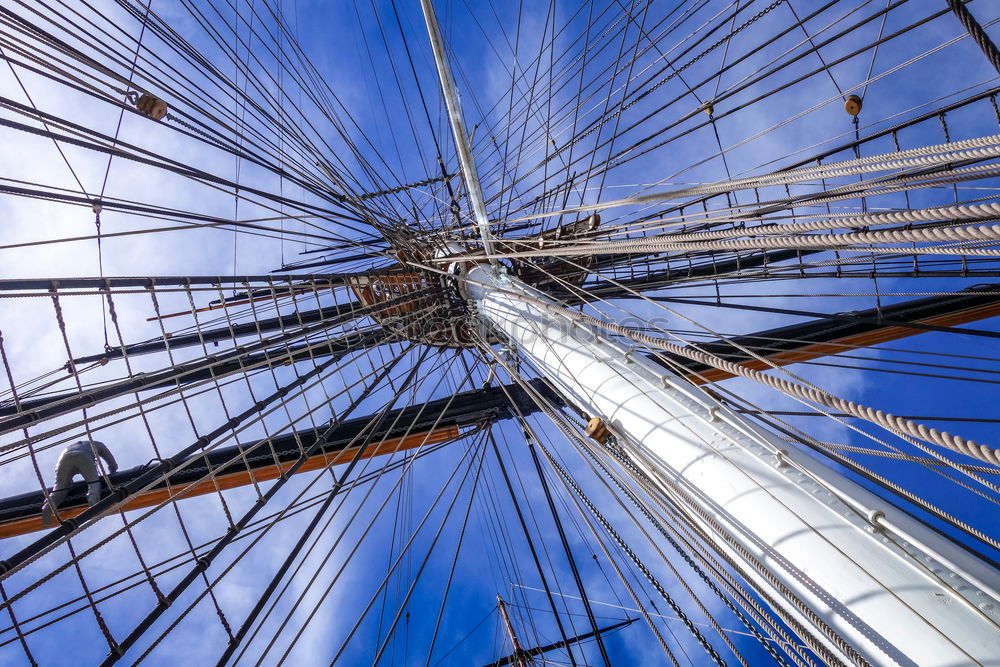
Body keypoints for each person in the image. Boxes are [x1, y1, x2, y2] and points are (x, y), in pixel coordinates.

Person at [40, 440, 118, 526]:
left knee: (59, 490)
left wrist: (67, 482)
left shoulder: (67, 448)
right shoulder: (95, 443)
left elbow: (58, 469)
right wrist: (113, 470)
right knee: (94, 483)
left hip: (65, 458)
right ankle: (94, 504)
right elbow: (108, 457)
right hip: (83, 455)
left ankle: (47, 509)